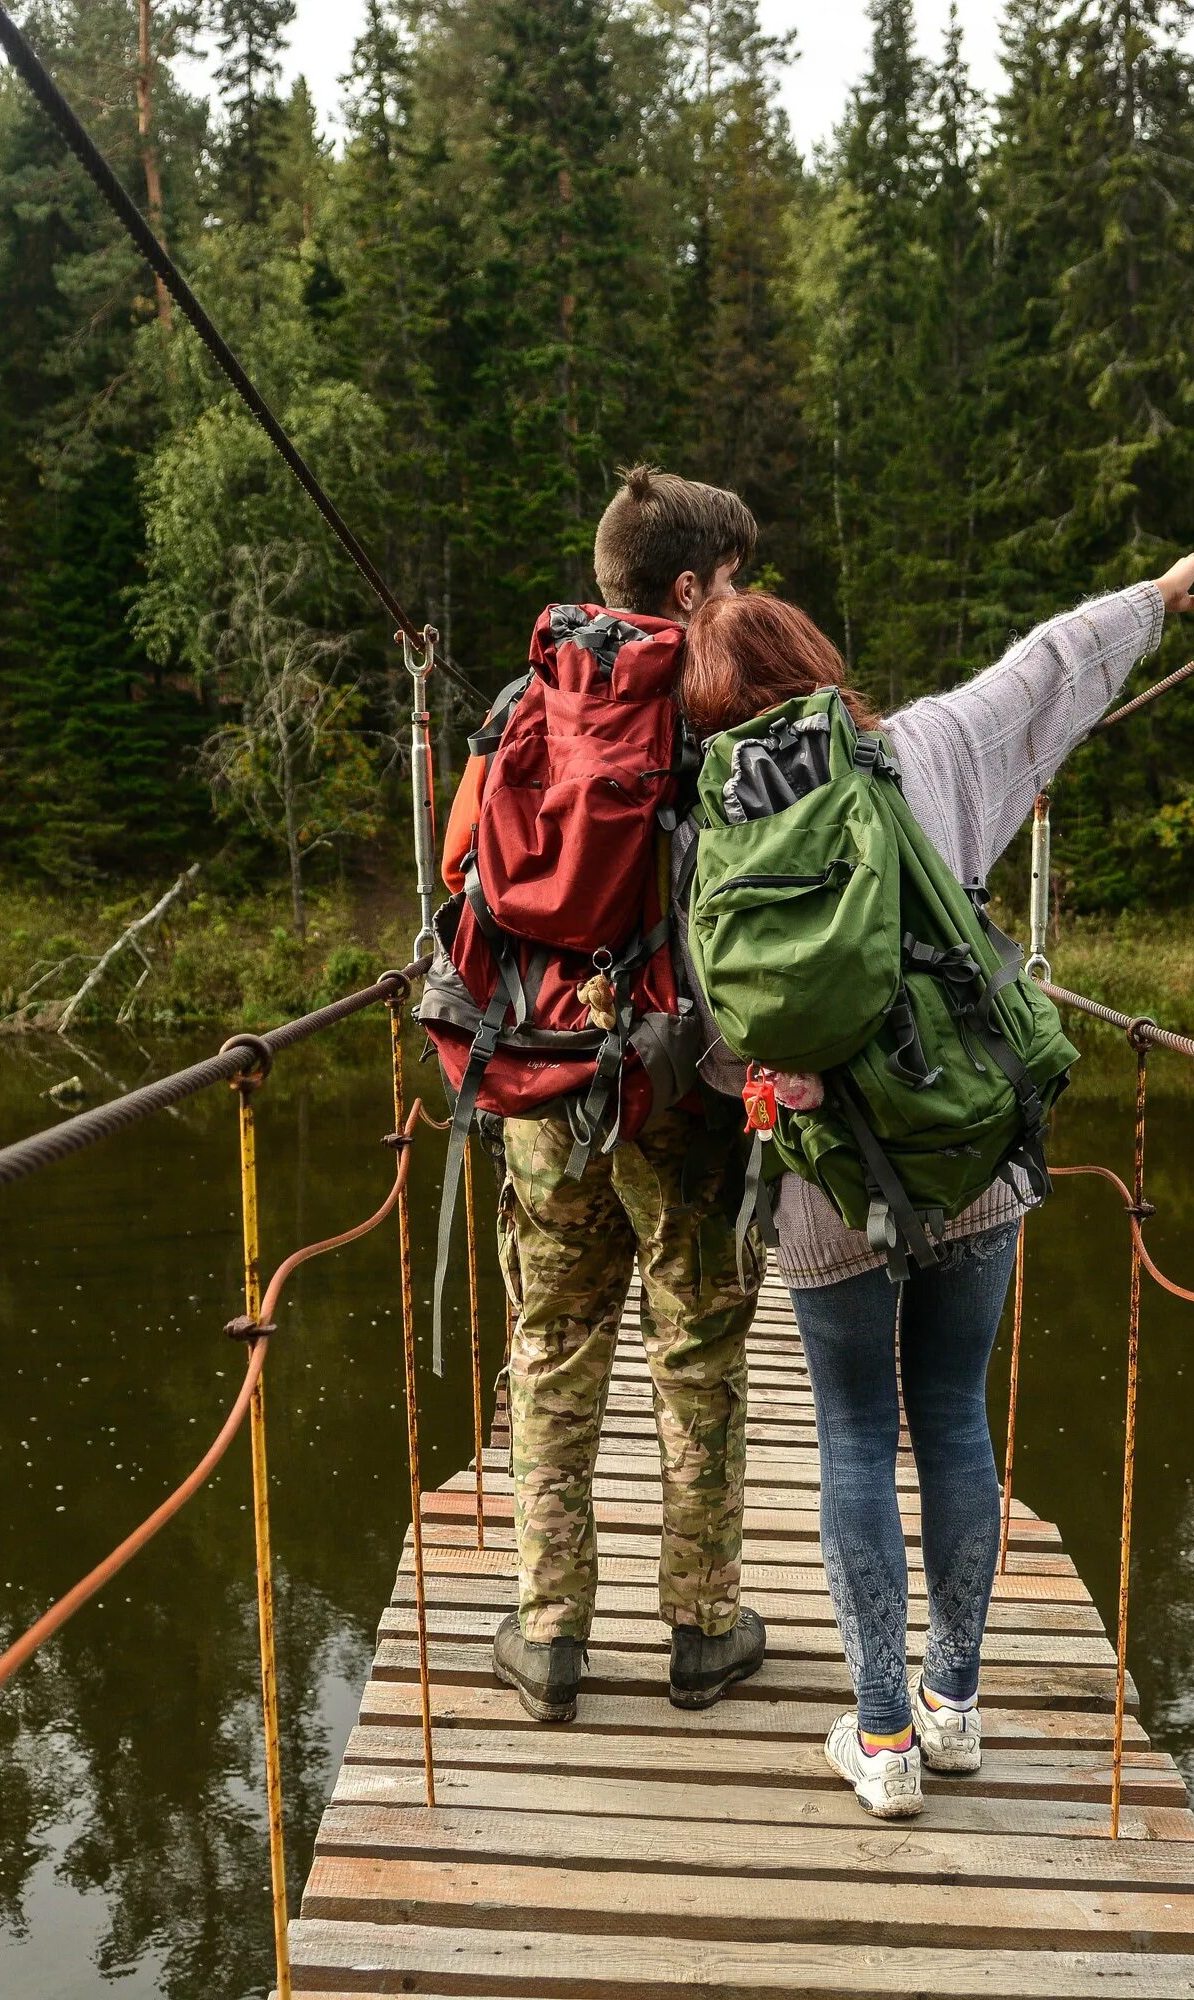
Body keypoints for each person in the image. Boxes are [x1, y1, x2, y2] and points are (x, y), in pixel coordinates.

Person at [676, 547, 1194, 1817]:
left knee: (856, 1435)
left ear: (708, 715)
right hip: (972, 1145)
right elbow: (1046, 670)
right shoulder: (926, 747)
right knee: (958, 1417)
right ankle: (958, 1705)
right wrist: (1153, 597)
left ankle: (880, 1742)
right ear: (820, 670)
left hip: (822, 1185)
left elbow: (715, 1031)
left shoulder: (704, 830)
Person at [475, 468, 771, 1724]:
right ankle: (703, 1626)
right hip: (674, 1089)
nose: (747, 601)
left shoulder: (521, 703)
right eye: (737, 581)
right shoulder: (723, 719)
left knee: (553, 1338)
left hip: (543, 1080)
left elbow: (463, 882)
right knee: (694, 1338)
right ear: (690, 588)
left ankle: (549, 1635)